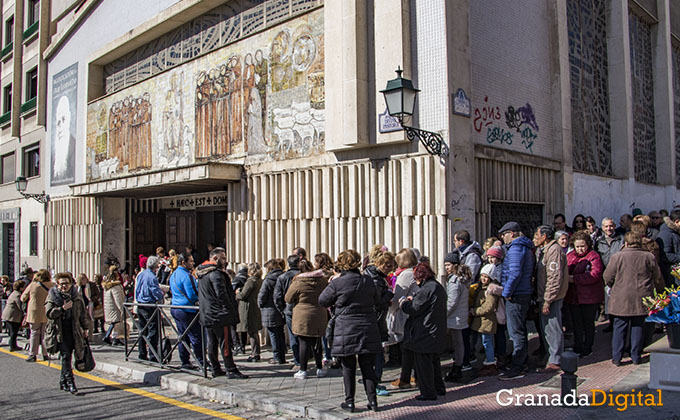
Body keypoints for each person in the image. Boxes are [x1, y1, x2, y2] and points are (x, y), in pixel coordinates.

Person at [318, 250, 380, 413]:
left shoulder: (338, 283)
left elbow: (323, 300)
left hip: (346, 327)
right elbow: (377, 300)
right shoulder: (367, 281)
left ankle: (350, 401)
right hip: (367, 326)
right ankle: (373, 401)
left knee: (348, 367)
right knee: (368, 366)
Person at [604, 232, 663, 365]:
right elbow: (657, 275)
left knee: (619, 327)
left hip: (621, 297)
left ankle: (617, 357)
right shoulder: (648, 256)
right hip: (642, 297)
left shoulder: (617, 257)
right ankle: (636, 356)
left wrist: (612, 285)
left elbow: (608, 276)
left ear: (625, 243)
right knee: (638, 326)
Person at [197, 247, 247, 379]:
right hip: (219, 315)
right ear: (215, 258)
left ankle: (216, 368)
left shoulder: (203, 273)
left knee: (212, 343)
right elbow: (222, 294)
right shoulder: (216, 274)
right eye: (223, 258)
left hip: (208, 314)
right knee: (225, 343)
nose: (225, 261)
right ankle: (230, 369)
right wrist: (230, 310)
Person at [400, 262, 447, 401]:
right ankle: (439, 388)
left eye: (416, 278)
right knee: (434, 363)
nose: (415, 281)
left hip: (425, 332)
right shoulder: (437, 286)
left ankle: (428, 392)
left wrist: (404, 303)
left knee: (423, 365)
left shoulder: (427, 289)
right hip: (436, 331)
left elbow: (414, 309)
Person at [498, 221, 535, 380]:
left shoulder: (516, 249)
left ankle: (518, 366)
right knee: (519, 329)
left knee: (516, 332)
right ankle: (522, 360)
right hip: (521, 292)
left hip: (517, 294)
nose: (502, 238)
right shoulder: (523, 247)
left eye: (504, 234)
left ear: (511, 233)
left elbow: (514, 273)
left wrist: (506, 292)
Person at [45, 273, 90, 395]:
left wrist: (85, 328)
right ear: (57, 284)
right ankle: (71, 382)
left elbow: (82, 314)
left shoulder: (76, 296)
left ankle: (62, 380)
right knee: (65, 356)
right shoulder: (53, 295)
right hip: (59, 332)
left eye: (67, 283)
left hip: (73, 331)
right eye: (62, 284)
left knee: (69, 355)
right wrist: (62, 309)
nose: (64, 286)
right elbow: (49, 313)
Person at [533, 225, 569, 373]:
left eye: (537, 235)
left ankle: (555, 360)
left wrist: (548, 299)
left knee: (552, 328)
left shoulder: (554, 250)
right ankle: (551, 356)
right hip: (543, 295)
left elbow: (554, 277)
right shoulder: (543, 250)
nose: (535, 237)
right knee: (546, 328)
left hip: (552, 297)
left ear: (545, 236)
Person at [285, 259, 328, 378]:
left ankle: (303, 370)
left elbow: (288, 298)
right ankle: (320, 368)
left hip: (302, 315)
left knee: (303, 342)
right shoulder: (322, 280)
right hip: (319, 313)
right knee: (317, 342)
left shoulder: (298, 282)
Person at [566, 231, 604, 358]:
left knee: (587, 323)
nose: (580, 249)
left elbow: (595, 275)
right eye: (577, 246)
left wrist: (574, 279)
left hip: (589, 297)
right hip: (573, 297)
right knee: (576, 323)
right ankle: (577, 345)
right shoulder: (570, 256)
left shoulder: (593, 256)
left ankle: (587, 347)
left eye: (582, 246)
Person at [362, 247, 395, 388]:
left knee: (376, 349)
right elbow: (377, 302)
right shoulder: (376, 279)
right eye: (387, 266)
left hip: (375, 317)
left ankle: (374, 377)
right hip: (376, 318)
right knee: (377, 349)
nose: (390, 269)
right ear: (379, 264)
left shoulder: (374, 276)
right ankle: (376, 377)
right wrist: (389, 293)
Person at [387, 248, 418, 388]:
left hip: (405, 314)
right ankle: (413, 375)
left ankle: (406, 378)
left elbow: (398, 296)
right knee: (409, 347)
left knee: (406, 347)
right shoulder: (413, 272)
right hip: (412, 314)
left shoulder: (406, 275)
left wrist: (391, 311)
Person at [169, 251, 204, 370]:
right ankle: (201, 361)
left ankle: (185, 361)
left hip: (175, 308)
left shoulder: (173, 274)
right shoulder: (186, 276)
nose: (193, 263)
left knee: (182, 336)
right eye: (191, 261)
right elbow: (192, 294)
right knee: (195, 336)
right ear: (184, 262)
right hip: (187, 309)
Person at [470, 264, 501, 376]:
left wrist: (475, 311)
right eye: (482, 276)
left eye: (486, 277)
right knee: (485, 341)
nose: (483, 279)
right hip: (482, 320)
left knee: (487, 342)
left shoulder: (491, 290)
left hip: (487, 320)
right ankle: (489, 361)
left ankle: (491, 363)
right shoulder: (481, 288)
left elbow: (489, 307)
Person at [443, 251, 470, 382]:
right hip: (459, 316)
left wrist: (443, 315)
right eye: (445, 265)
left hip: (455, 317)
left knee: (457, 343)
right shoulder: (460, 279)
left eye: (448, 265)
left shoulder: (455, 281)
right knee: (458, 342)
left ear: (454, 265)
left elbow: (451, 302)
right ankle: (458, 365)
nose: (446, 268)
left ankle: (458, 367)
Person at [274, 253, 302, 369]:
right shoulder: (303, 275)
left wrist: (282, 309)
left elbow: (277, 296)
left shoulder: (282, 277)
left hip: (289, 309)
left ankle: (298, 361)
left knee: (293, 336)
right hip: (302, 308)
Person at [135, 256, 165, 362]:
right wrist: (162, 294)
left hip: (140, 304)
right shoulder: (152, 277)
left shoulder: (141, 275)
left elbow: (138, 289)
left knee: (142, 330)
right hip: (149, 306)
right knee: (153, 331)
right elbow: (156, 292)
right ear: (156, 266)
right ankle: (153, 355)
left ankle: (142, 353)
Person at [21, 269, 55, 362]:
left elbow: (23, 298)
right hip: (47, 311)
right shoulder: (52, 285)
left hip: (34, 311)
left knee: (34, 333)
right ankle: (45, 354)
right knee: (46, 334)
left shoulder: (33, 285)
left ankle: (33, 354)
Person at [258, 259, 286, 364]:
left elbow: (262, 295)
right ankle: (282, 355)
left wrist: (260, 304)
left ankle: (277, 357)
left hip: (269, 309)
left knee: (273, 334)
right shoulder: (283, 277)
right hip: (281, 309)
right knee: (280, 332)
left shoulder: (268, 280)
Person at [236, 262, 263, 362]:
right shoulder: (260, 280)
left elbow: (243, 295)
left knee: (251, 331)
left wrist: (237, 294)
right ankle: (256, 353)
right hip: (255, 307)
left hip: (248, 308)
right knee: (254, 331)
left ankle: (255, 354)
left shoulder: (251, 281)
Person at [52, 95, 76, 184]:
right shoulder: (53, 156)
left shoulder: (76, 148)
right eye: (58, 121)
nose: (60, 125)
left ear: (69, 118)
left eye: (63, 119)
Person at [102, 266, 125, 345]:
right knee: (116, 323)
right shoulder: (115, 287)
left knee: (115, 323)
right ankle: (110, 337)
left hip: (110, 308)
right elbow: (118, 299)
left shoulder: (107, 286)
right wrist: (122, 309)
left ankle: (114, 338)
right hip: (115, 308)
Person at [656, 209, 680, 287]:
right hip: (671, 277)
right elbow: (666, 255)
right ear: (677, 222)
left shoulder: (675, 232)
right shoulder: (666, 234)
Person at [2, 280, 26, 351]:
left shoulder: (14, 293)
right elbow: (20, 306)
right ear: (20, 287)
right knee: (13, 332)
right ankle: (12, 346)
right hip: (12, 316)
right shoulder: (17, 295)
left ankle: (13, 344)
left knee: (13, 331)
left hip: (10, 315)